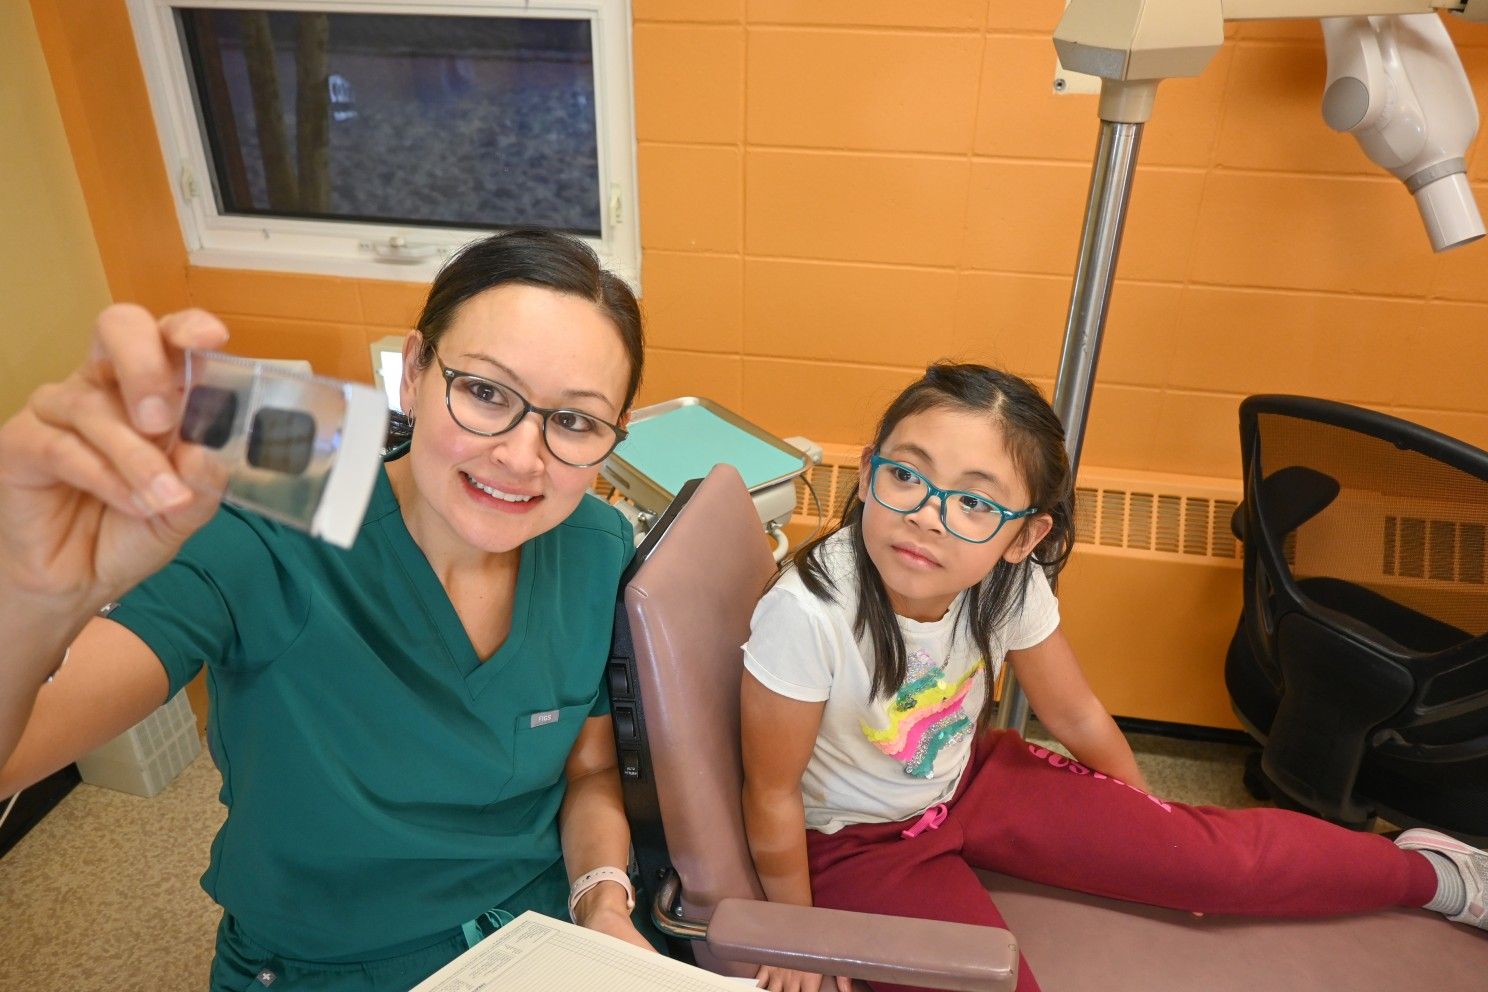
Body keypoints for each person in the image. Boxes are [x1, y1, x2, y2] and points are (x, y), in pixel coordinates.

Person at [0, 229, 655, 989]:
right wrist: (34, 596)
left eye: (575, 421)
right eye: (484, 391)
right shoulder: (265, 531)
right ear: (412, 373)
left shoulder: (593, 543)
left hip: (538, 935)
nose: (520, 456)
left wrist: (601, 903)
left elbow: (591, 768)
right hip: (328, 965)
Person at [738, 363, 1488, 992]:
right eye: (906, 475)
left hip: (970, 779)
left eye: (973, 500)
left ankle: (1434, 872)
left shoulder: (1007, 584)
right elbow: (771, 791)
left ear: (1024, 536)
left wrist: (1152, 837)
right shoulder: (806, 614)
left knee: (1213, 863)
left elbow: (1082, 719)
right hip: (859, 841)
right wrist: (799, 933)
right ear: (868, 476)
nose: (930, 516)